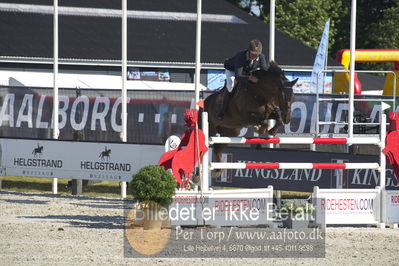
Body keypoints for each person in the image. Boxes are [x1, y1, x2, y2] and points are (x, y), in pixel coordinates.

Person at [216, 39, 268, 120]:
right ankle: (222, 111)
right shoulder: (241, 56)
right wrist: (249, 78)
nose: (256, 56)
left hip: (247, 70)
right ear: (249, 51)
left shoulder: (261, 57)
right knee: (231, 86)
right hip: (232, 70)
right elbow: (238, 76)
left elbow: (264, 70)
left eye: (258, 54)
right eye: (254, 54)